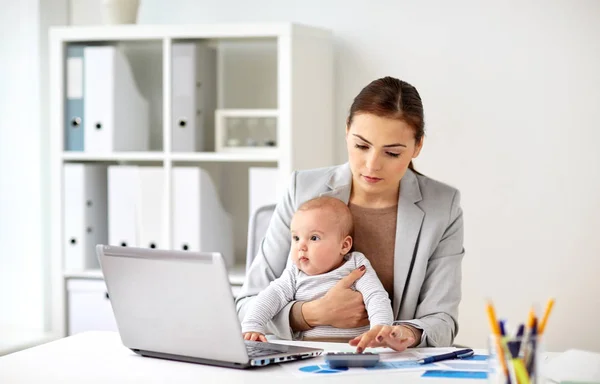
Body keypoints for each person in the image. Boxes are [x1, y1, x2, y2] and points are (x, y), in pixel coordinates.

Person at [236, 76, 465, 353]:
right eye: (361, 146)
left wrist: (405, 333)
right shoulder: (302, 189)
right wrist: (313, 314)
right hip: (303, 364)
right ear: (347, 131)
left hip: (388, 365)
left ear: (417, 147)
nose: (372, 165)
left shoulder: (442, 206)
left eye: (391, 153)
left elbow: (442, 321)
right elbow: (247, 303)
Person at [241, 196, 393, 344]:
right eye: (296, 238)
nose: (301, 246)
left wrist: (380, 328)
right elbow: (271, 297)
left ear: (344, 245)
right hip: (307, 348)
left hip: (353, 347)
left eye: (314, 238)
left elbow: (375, 295)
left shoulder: (355, 264)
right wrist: (253, 325)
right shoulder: (295, 272)